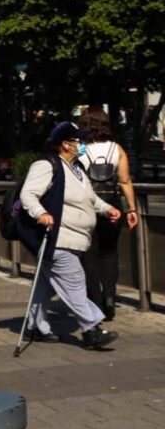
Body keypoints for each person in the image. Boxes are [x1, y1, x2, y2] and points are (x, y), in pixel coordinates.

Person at [17, 121, 120, 350]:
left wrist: (106, 209)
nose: (82, 145)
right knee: (75, 282)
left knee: (45, 285)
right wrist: (41, 213)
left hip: (75, 239)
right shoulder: (47, 165)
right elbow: (28, 195)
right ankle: (91, 329)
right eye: (78, 141)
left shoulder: (77, 169)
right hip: (58, 239)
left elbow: (91, 199)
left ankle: (36, 326)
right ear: (64, 144)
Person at [77, 108, 139, 321]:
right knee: (110, 251)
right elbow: (125, 181)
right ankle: (110, 298)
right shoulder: (117, 148)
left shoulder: (79, 149)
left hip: (87, 205)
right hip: (112, 204)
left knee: (90, 253)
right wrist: (131, 209)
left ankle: (95, 301)